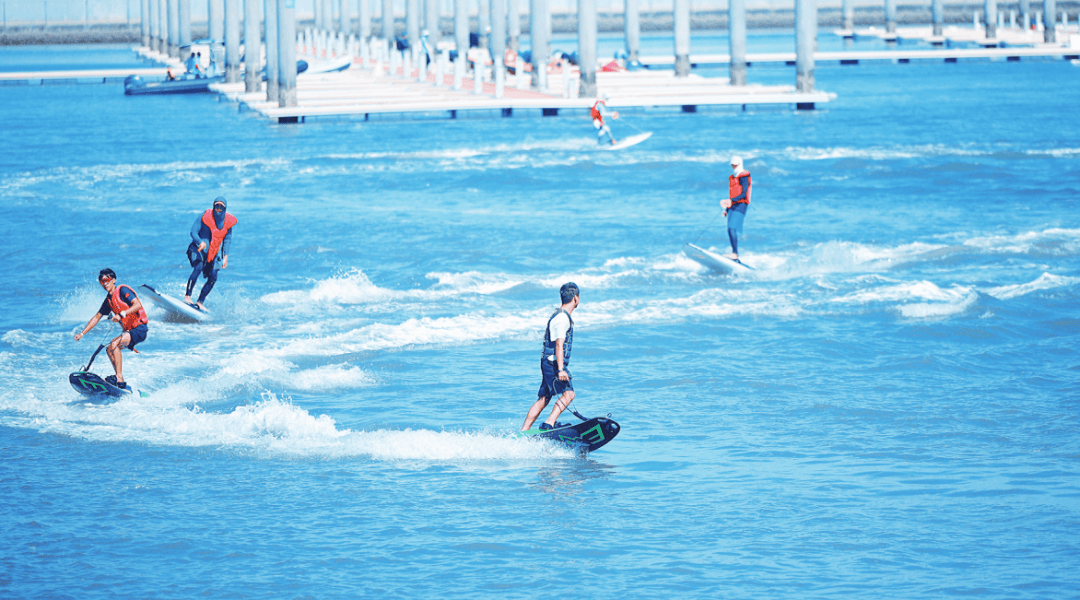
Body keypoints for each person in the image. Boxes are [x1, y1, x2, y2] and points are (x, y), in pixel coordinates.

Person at [74, 268, 149, 390]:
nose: (104, 283)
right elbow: (97, 317)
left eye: (106, 280)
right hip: (130, 331)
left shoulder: (123, 290)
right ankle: (121, 382)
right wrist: (82, 333)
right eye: (101, 281)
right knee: (109, 349)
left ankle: (118, 377)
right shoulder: (108, 300)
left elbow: (137, 305)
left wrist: (121, 314)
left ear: (113, 280)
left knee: (114, 344)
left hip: (140, 329)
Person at [521, 283, 581, 431]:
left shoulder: (558, 315)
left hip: (548, 361)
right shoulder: (562, 318)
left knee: (544, 398)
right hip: (554, 363)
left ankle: (523, 431)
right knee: (569, 394)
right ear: (576, 298)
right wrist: (561, 369)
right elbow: (559, 344)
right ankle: (549, 423)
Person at [185, 196, 237, 309]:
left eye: (221, 207)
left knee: (213, 277)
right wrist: (200, 242)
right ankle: (187, 296)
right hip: (196, 248)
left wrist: (226, 257)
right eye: (216, 206)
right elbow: (193, 232)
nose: (218, 209)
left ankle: (200, 302)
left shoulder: (228, 222)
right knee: (198, 266)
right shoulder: (205, 216)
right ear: (213, 206)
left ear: (225, 208)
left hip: (212, 254)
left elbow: (227, 240)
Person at [721, 155, 752, 261]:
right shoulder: (732, 177)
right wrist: (726, 209)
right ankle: (735, 255)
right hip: (733, 205)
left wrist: (731, 201)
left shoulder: (744, 175)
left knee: (732, 228)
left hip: (741, 204)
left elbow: (744, 194)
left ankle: (735, 254)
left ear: (739, 164)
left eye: (735, 165)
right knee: (729, 229)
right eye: (732, 165)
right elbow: (732, 196)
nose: (733, 167)